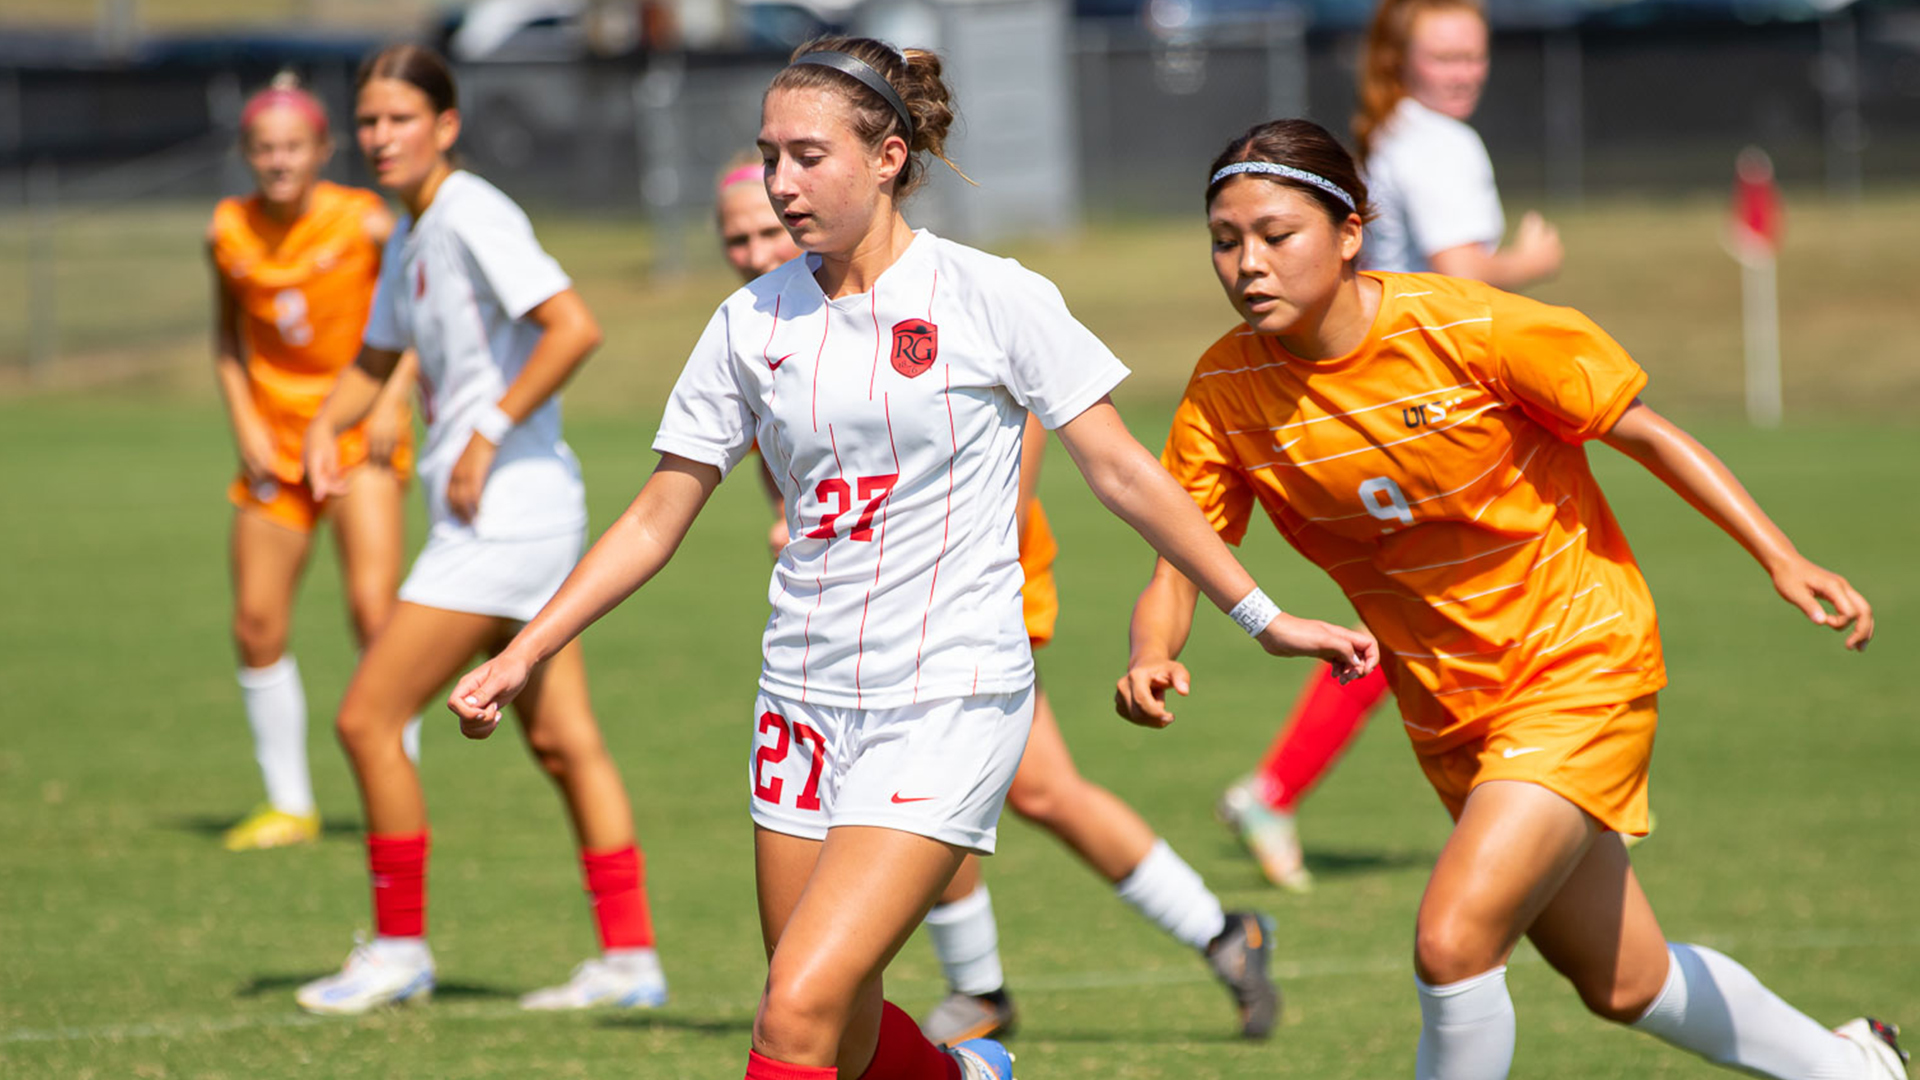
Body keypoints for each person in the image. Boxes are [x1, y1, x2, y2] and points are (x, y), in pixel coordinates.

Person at [451, 39, 1374, 1080]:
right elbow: (656, 517)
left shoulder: (991, 296)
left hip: (947, 697)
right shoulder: (748, 323)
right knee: (832, 1021)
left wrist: (1264, 616)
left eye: (809, 156)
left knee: (792, 1017)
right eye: (770, 156)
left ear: (889, 156)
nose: (781, 183)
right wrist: (526, 649)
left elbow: (1123, 472)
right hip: (797, 702)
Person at [1120, 117, 1906, 1080]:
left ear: (1350, 232)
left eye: (1276, 236)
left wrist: (1780, 556)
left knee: (1452, 944)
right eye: (1225, 241)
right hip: (1451, 710)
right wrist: (1152, 649)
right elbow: (1177, 560)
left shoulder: (1469, 326)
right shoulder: (1223, 393)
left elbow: (1644, 432)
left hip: (1579, 661)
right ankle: (1852, 1069)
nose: (1247, 264)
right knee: (1624, 981)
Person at [713, 151, 1281, 1045]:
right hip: (877, 617)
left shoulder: (944, 296)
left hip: (974, 579)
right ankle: (1190, 941)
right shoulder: (771, 324)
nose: (753, 249)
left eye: (761, 230)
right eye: (734, 238)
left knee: (989, 785)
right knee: (1025, 789)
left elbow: (1023, 431)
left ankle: (1020, 981)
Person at [292, 44, 666, 1016]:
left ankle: (399, 948)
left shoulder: (472, 213)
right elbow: (378, 357)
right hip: (512, 518)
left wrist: (489, 431)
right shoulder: (412, 235)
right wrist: (321, 434)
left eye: (399, 120)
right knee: (564, 742)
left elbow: (573, 325)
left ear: (446, 126)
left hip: (508, 520)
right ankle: (630, 961)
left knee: (368, 717)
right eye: (368, 122)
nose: (378, 138)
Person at [1218, 0, 1570, 889]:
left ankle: (1287, 788)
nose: (1464, 72)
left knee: (1405, 624)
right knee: (1464, 604)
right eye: (1445, 55)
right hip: (1430, 410)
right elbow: (1458, 275)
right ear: (1402, 59)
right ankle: (1541, 775)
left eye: (1474, 56)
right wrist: (1530, 260)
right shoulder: (1444, 147)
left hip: (1387, 404)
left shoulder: (1394, 138)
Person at [208, 73, 419, 852]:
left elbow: (413, 317)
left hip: (357, 436)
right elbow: (227, 340)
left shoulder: (364, 222)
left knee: (374, 613)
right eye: (264, 149)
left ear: (323, 151)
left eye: (293, 147)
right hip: (275, 445)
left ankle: (396, 789)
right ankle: (289, 803)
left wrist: (393, 400)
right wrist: (245, 427)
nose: (279, 162)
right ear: (248, 154)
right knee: (256, 622)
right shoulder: (226, 230)